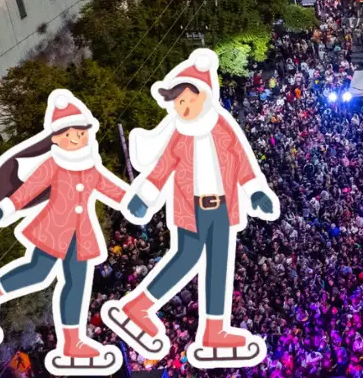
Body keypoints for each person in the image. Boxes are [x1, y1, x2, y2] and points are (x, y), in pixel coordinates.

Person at [103, 50, 280, 369]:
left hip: (224, 210)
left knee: (218, 267)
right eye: (178, 104)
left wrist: (255, 192)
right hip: (192, 209)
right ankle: (139, 306)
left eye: (188, 101)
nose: (183, 109)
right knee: (185, 258)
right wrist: (146, 196)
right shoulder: (178, 137)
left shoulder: (223, 128)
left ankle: (214, 330)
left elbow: (241, 162)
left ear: (205, 97)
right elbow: (161, 170)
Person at [0, 90, 127, 374]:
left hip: (80, 237)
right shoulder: (54, 164)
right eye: (71, 135)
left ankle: (72, 342)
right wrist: (3, 210)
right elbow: (27, 191)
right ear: (56, 138)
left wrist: (136, 200)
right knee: (38, 271)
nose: (77, 140)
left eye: (81, 134)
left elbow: (112, 189)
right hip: (54, 230)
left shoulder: (90, 167)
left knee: (77, 285)